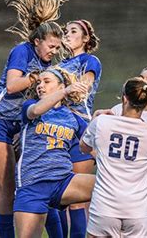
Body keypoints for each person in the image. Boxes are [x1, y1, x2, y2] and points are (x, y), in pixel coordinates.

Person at [0, 0, 67, 238]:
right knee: (10, 189)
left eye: (57, 48)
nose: (54, 51)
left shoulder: (44, 60)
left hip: (21, 128)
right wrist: (37, 77)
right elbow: (13, 85)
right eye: (51, 46)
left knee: (36, 186)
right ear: (37, 41)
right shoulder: (22, 51)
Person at [80, 77, 147, 237]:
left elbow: (84, 147)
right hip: (138, 210)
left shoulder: (102, 122)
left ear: (124, 98)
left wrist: (95, 118)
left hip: (104, 206)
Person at [14, 67, 95, 238]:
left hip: (63, 182)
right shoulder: (30, 106)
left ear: (60, 86)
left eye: (46, 81)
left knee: (110, 185)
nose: (40, 86)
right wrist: (66, 91)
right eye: (38, 83)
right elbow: (36, 111)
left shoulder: (74, 118)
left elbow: (94, 148)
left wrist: (101, 118)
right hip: (33, 185)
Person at [57, 19, 101, 238]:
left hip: (78, 130)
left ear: (85, 38)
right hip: (56, 131)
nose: (67, 34)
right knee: (53, 199)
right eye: (65, 31)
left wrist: (68, 88)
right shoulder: (57, 65)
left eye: (73, 31)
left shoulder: (89, 60)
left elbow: (85, 84)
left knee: (75, 201)